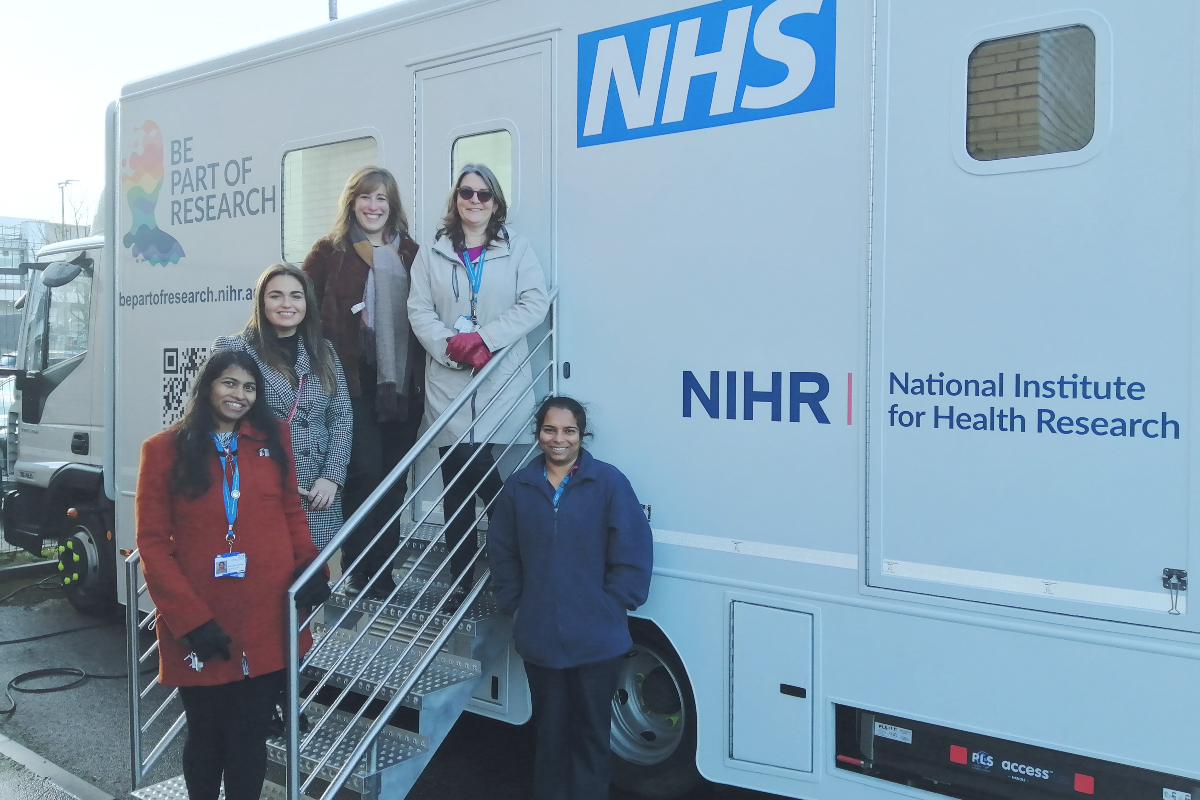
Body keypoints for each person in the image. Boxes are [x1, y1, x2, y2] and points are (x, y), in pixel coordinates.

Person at [135, 351, 331, 800]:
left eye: (249, 387)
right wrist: (189, 619)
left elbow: (290, 511)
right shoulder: (163, 450)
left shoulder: (272, 437)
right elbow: (152, 543)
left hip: (267, 614)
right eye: (229, 384)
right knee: (206, 736)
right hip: (203, 621)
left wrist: (311, 567)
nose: (238, 395)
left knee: (249, 737)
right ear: (207, 387)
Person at [489, 396, 653, 800]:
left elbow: (633, 547)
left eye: (568, 431)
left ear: (582, 435)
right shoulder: (519, 487)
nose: (558, 439)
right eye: (549, 429)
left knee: (590, 738)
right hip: (541, 639)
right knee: (550, 738)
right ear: (538, 433)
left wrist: (613, 602)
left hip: (598, 642)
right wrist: (517, 604)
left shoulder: (609, 482)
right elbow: (502, 551)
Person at [408, 163, 549, 601]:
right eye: (466, 193)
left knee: (470, 469)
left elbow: (534, 304)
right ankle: (463, 579)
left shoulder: (517, 250)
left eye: (483, 194)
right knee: (456, 480)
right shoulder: (431, 254)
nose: (474, 200)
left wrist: (484, 338)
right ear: (456, 200)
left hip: (497, 377)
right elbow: (418, 309)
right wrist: (452, 344)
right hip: (449, 379)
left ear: (495, 203)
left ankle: (504, 558)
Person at [303, 167, 423, 597]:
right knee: (365, 472)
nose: (373, 207)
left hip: (402, 387)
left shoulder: (411, 254)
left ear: (392, 207)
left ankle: (383, 572)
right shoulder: (329, 252)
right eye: (366, 198)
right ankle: (359, 567)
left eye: (382, 199)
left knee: (394, 482)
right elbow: (301, 311)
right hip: (351, 384)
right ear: (352, 202)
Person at [213, 263, 352, 550]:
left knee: (312, 582)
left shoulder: (324, 352)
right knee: (265, 576)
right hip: (259, 487)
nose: (286, 304)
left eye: (296, 296)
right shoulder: (233, 349)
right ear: (261, 302)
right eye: (276, 295)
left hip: (316, 491)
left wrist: (332, 476)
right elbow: (217, 423)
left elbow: (341, 417)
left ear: (307, 303)